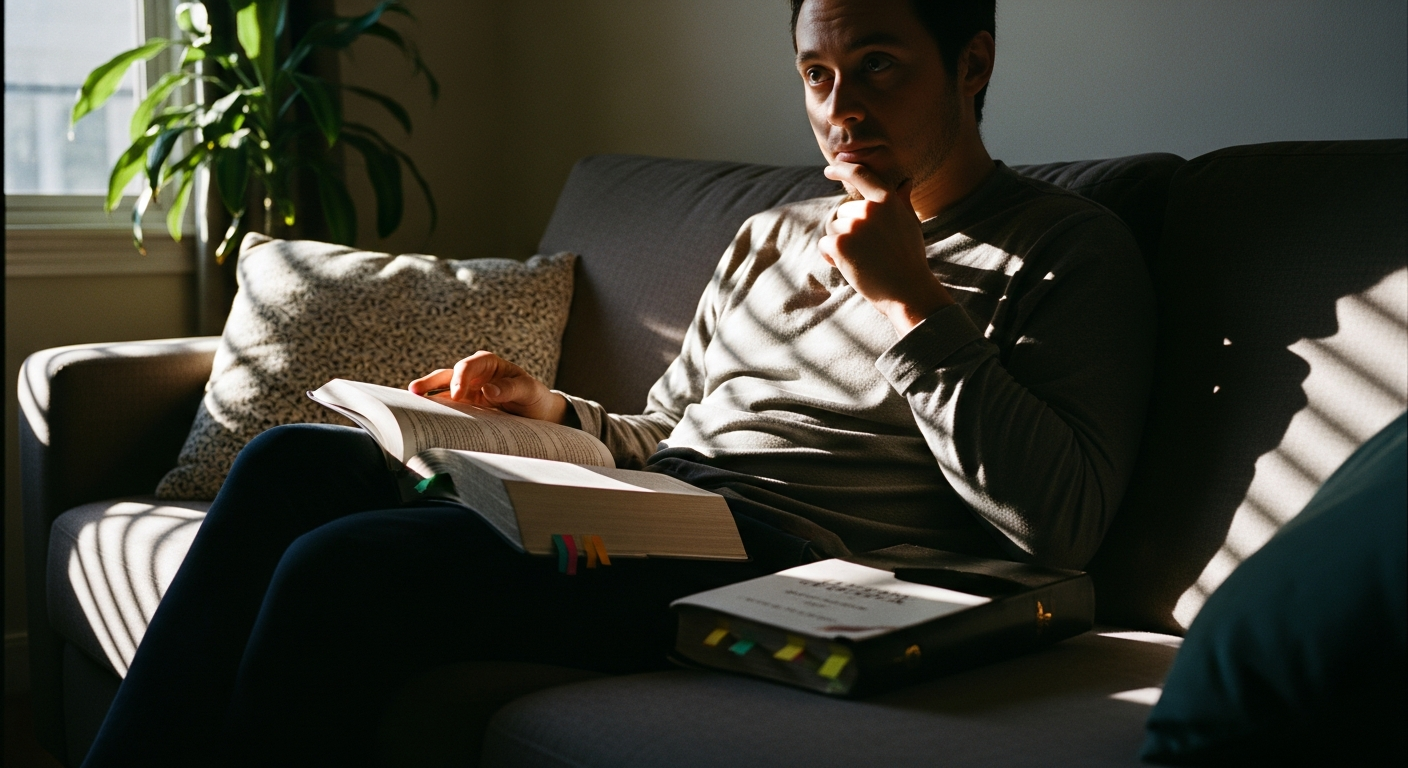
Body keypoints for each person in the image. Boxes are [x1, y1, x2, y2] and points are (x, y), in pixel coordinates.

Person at [83, 0, 1155, 765]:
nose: (839, 108)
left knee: (346, 567)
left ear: (971, 64)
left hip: (794, 556)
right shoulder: (772, 231)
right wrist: (546, 413)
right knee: (286, 464)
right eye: (816, 74)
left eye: (878, 65)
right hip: (664, 508)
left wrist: (912, 304)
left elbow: (1056, 525)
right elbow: (673, 427)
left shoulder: (1069, 246)